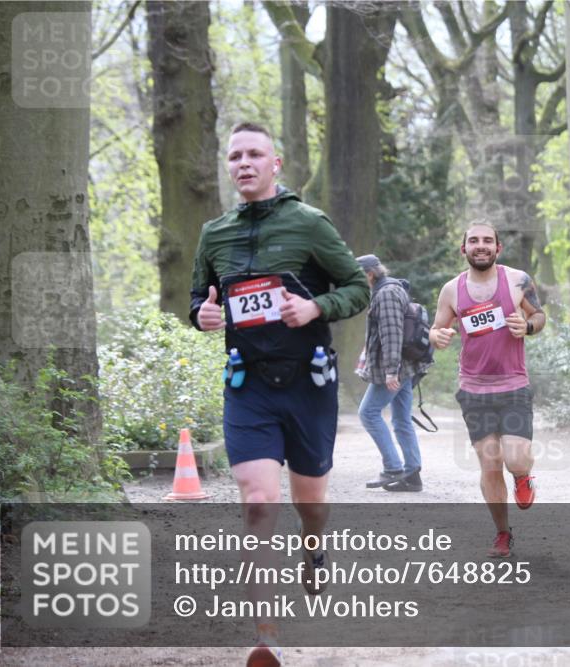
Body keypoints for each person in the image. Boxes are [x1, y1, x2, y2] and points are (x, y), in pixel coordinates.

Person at [189, 122, 369, 666]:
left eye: (255, 154)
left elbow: (357, 287)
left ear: (276, 164)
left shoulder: (309, 223)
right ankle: (265, 638)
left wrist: (316, 308)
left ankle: (314, 550)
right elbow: (200, 298)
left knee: (309, 504)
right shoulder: (213, 233)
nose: (244, 163)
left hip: (307, 383)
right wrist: (202, 314)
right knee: (259, 502)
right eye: (235, 156)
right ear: (229, 166)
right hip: (247, 385)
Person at [429, 220, 546, 558]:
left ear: (498, 248)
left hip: (513, 385)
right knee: (490, 464)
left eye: (487, 241)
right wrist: (436, 336)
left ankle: (523, 477)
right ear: (463, 249)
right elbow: (436, 329)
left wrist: (528, 326)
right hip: (474, 389)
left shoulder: (517, 280)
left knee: (515, 458)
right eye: (473, 241)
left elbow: (539, 315)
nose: (480, 246)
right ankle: (503, 533)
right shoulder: (452, 289)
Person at [355, 254, 431, 492]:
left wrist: (391, 371)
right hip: (405, 366)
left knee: (368, 413)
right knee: (401, 419)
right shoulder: (391, 288)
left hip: (396, 368)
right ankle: (412, 475)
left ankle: (393, 468)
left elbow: (392, 334)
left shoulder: (386, 293)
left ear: (369, 273)